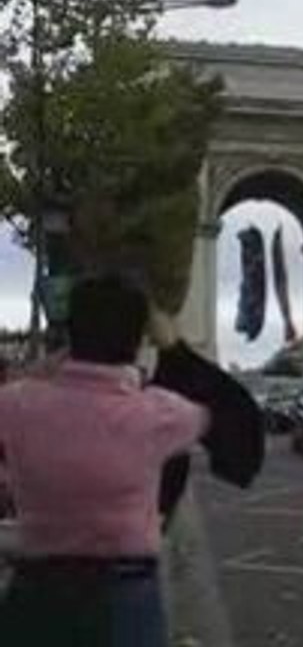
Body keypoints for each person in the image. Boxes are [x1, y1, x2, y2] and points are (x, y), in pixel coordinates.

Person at [0, 273, 212, 645]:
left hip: (36, 592)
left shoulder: (16, 405)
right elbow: (216, 405)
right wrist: (173, 346)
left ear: (70, 331)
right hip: (123, 597)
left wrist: (61, 360)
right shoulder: (159, 415)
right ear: (138, 339)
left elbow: (17, 383)